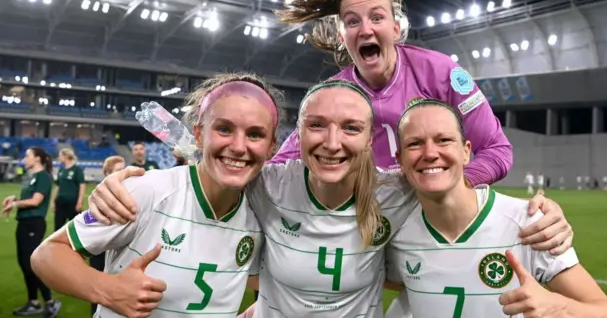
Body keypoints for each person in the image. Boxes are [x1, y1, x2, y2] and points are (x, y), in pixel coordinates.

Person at [85, 81, 573, 318]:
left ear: (372, 142)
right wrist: (126, 181)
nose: (333, 142)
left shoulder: (396, 191)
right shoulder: (269, 184)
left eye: (351, 128)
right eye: (316, 126)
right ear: (296, 136)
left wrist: (540, 211)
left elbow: (447, 182)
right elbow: (223, 162)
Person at [271, 0, 570, 315]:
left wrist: (437, 189)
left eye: (377, 18)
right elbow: (280, 165)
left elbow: (497, 150)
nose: (365, 28)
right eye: (352, 22)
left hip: (432, 220)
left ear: (396, 29)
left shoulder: (442, 72)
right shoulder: (334, 95)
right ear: (342, 37)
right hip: (368, 230)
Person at [31, 73, 282, 318]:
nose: (239, 147)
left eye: (255, 134)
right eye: (224, 129)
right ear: (198, 134)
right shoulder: (148, 191)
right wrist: (109, 290)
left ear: (271, 146)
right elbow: (47, 255)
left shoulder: (261, 213)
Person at [385, 99, 607, 318]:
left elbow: (606, 312)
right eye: (414, 144)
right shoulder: (397, 231)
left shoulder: (530, 224)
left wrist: (559, 306)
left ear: (466, 152)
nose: (430, 153)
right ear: (400, 160)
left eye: (444, 140)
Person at [2, 146, 62, 318]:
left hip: (33, 225)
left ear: (37, 158)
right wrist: (15, 199)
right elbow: (29, 198)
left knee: (32, 265)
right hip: (24, 223)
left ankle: (50, 302)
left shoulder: (43, 177)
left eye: (27, 156)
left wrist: (15, 204)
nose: (24, 159)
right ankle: (33, 302)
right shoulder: (32, 178)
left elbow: (36, 201)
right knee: (24, 264)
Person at [88, 155, 126, 317]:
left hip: (121, 250)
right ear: (107, 173)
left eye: (124, 169)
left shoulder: (132, 192)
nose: (123, 174)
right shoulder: (100, 195)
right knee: (97, 287)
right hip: (101, 248)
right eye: (119, 170)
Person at [52, 148, 86, 230]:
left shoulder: (77, 169)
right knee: (58, 227)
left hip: (72, 203)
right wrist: (53, 201)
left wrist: (79, 202)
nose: (58, 157)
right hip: (60, 202)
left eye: (60, 155)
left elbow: (82, 186)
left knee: (75, 228)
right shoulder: (61, 170)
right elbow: (58, 186)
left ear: (66, 156)